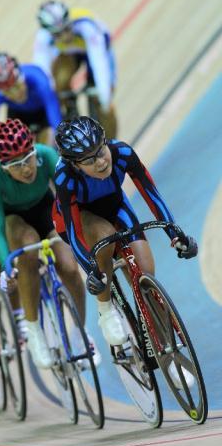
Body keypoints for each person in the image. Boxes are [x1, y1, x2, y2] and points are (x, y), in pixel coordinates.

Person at [52, 116, 197, 388]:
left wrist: (175, 234)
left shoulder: (123, 153)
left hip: (116, 205)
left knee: (145, 277)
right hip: (81, 218)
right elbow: (73, 232)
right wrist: (92, 271)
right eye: (88, 160)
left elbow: (151, 194)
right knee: (104, 237)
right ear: (74, 164)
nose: (100, 162)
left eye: (100, 151)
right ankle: (106, 310)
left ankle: (168, 354)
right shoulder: (65, 179)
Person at [0, 118, 100, 369]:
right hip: (14, 220)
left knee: (69, 267)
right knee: (28, 245)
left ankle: (80, 332)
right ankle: (34, 330)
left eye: (28, 158)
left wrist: (79, 240)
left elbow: (69, 204)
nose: (26, 168)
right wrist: (7, 265)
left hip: (44, 208)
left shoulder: (47, 156)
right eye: (17, 164)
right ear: (3, 167)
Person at [34, 0, 118, 138]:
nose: (65, 36)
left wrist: (104, 97)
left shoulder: (86, 27)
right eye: (58, 34)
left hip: (97, 52)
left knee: (104, 101)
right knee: (59, 83)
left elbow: (99, 63)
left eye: (67, 28)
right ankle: (69, 110)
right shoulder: (43, 37)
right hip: (69, 55)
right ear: (48, 32)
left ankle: (110, 141)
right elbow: (41, 72)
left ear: (70, 20)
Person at [0, 52, 62, 158]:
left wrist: (60, 142)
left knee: (47, 150)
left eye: (16, 87)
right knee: (14, 151)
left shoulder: (38, 79)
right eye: (7, 92)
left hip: (43, 111)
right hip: (18, 115)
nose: (15, 95)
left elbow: (55, 118)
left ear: (21, 78)